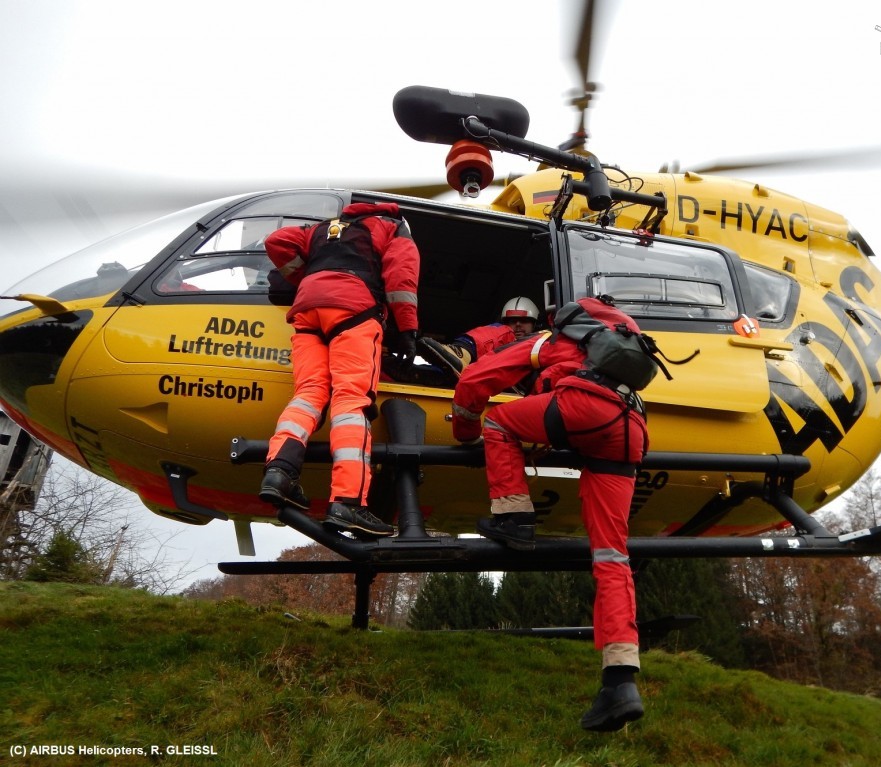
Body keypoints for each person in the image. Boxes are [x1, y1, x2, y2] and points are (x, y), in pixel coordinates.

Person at [449, 296, 649, 732]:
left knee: (498, 422)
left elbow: (477, 380)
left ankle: (514, 516)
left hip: (583, 409)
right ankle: (620, 681)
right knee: (612, 557)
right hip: (630, 429)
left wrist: (463, 429)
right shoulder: (622, 343)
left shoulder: (551, 339)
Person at [258, 202, 420, 538]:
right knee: (350, 400)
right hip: (355, 311)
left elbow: (276, 241)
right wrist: (407, 329)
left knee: (308, 395)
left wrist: (306, 276)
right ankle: (347, 501)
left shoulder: (323, 228)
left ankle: (280, 472)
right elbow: (401, 273)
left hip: (308, 311)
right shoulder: (392, 226)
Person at [416, 296, 540, 384]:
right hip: (496, 382)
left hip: (527, 386)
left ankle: (462, 352)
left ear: (535, 325)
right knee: (456, 371)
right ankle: (419, 372)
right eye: (512, 321)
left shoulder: (543, 344)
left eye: (524, 321)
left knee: (505, 332)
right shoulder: (501, 345)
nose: (518, 324)